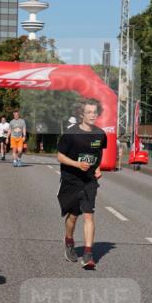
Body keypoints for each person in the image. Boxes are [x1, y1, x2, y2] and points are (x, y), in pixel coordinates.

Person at [56, 99, 107, 270]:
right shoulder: (71, 134)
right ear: (82, 114)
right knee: (72, 215)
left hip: (89, 181)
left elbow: (98, 153)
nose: (92, 115)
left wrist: (98, 168)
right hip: (71, 179)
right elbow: (60, 157)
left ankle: (88, 254)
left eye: (94, 112)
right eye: (89, 112)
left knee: (88, 215)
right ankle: (69, 240)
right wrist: (77, 164)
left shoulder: (100, 134)